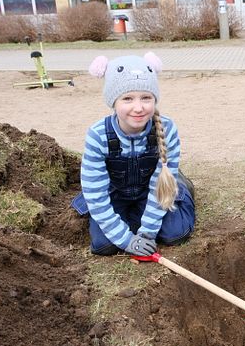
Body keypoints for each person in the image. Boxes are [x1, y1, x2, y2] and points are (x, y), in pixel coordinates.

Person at [71, 53, 196, 256]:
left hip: (152, 190)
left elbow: (158, 187)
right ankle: (130, 217)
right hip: (115, 194)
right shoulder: (97, 135)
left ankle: (181, 185)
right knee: (105, 245)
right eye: (127, 98)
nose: (138, 108)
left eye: (146, 98)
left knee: (176, 234)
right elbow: (96, 196)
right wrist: (126, 239)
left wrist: (147, 232)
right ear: (113, 102)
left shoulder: (166, 128)